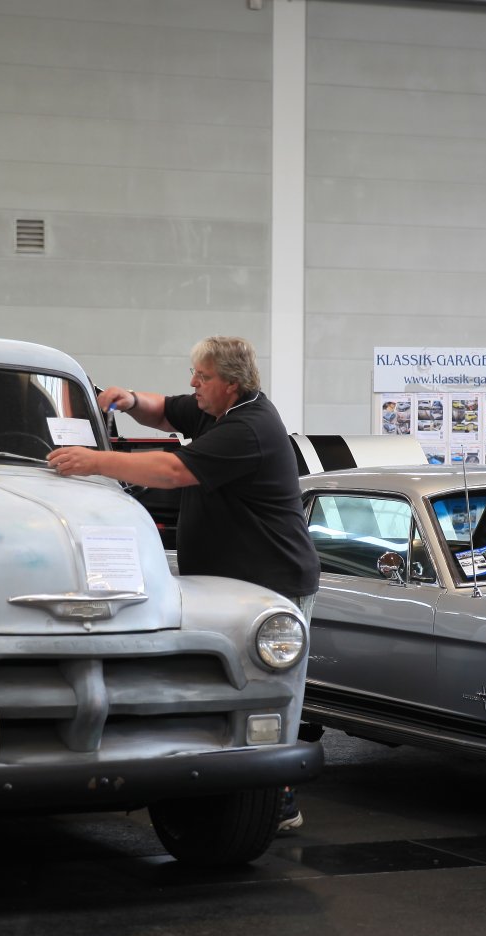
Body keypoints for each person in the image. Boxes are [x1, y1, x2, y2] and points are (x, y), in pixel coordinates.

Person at [46, 336, 320, 832]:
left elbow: (172, 470)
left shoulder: (248, 427)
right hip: (227, 584)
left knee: (267, 692)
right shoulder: (216, 410)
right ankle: (226, 785)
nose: (193, 383)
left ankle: (276, 800)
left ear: (231, 384)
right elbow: (165, 412)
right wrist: (129, 399)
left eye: (202, 376)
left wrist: (94, 461)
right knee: (222, 688)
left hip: (270, 584)